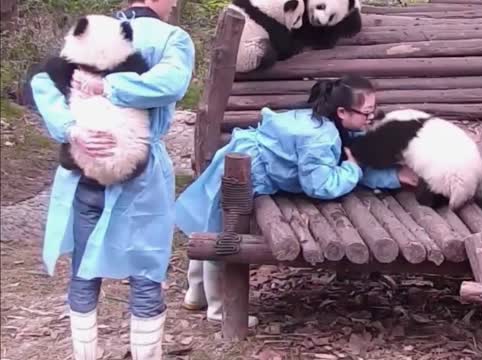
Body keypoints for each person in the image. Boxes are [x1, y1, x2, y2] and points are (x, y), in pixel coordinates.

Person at [175, 75, 419, 327]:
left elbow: (349, 158)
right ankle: (219, 310)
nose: (371, 117)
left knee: (209, 226)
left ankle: (196, 294)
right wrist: (352, 170)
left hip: (238, 161)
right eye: (367, 113)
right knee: (222, 239)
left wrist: (390, 175)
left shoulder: (321, 120)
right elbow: (320, 185)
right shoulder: (320, 138)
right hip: (243, 175)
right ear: (342, 111)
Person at [30, 1, 195, 359]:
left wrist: (70, 128)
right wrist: (112, 89)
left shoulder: (91, 29)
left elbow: (44, 79)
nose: (177, 4)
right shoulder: (172, 38)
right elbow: (172, 84)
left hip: (84, 168)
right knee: (146, 270)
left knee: (83, 269)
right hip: (142, 172)